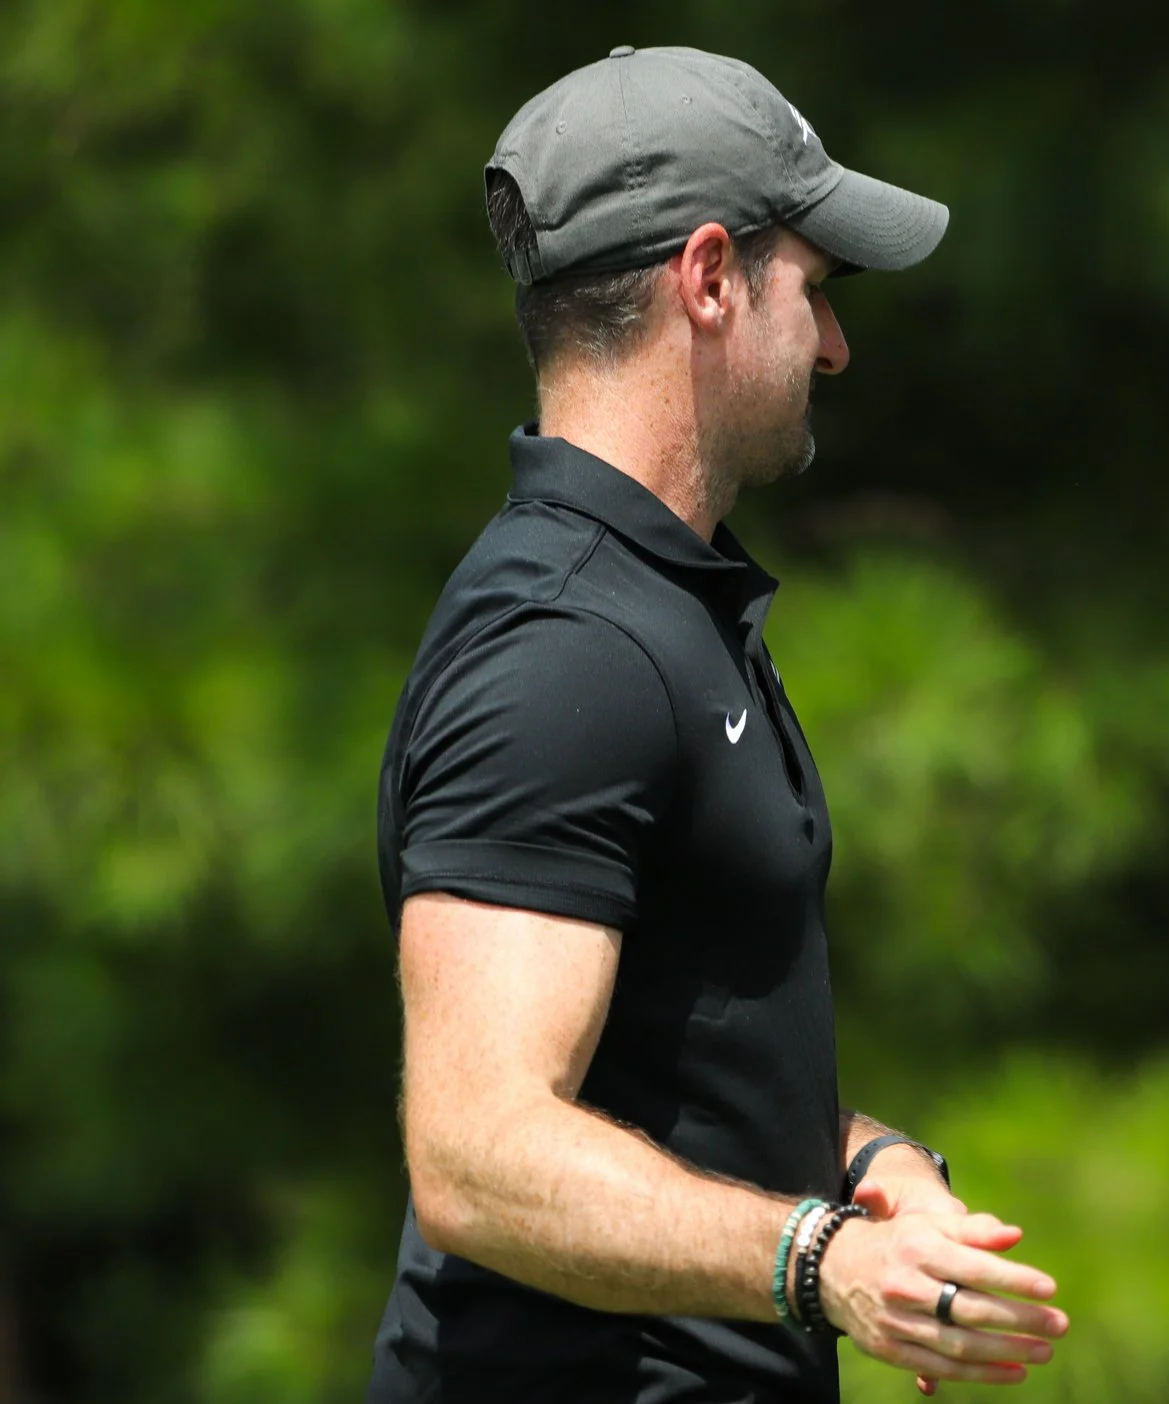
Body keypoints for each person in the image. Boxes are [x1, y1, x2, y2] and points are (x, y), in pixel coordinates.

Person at [368, 46, 1068, 1401]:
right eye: (813, 288)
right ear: (705, 280)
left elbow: (681, 1080)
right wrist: (819, 1261)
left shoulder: (659, 610)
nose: (836, 343)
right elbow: (476, 1153)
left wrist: (864, 1169)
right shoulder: (563, 649)